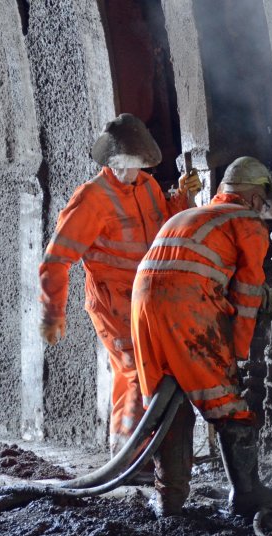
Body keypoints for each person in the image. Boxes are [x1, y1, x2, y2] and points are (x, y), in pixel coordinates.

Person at [130, 156, 272, 517]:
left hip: (141, 305)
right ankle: (247, 494)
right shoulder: (247, 223)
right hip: (185, 303)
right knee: (225, 401)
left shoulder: (194, 215)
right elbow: (248, 295)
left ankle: (168, 501)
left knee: (163, 400)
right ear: (253, 197)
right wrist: (236, 351)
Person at [39, 113, 201, 454]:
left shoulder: (147, 186)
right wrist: (53, 313)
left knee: (140, 373)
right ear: (112, 162)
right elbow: (56, 260)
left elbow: (164, 224)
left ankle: (129, 453)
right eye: (127, 166)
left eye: (139, 166)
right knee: (135, 372)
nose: (133, 173)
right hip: (113, 303)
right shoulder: (91, 199)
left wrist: (182, 198)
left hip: (146, 301)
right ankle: (128, 457)